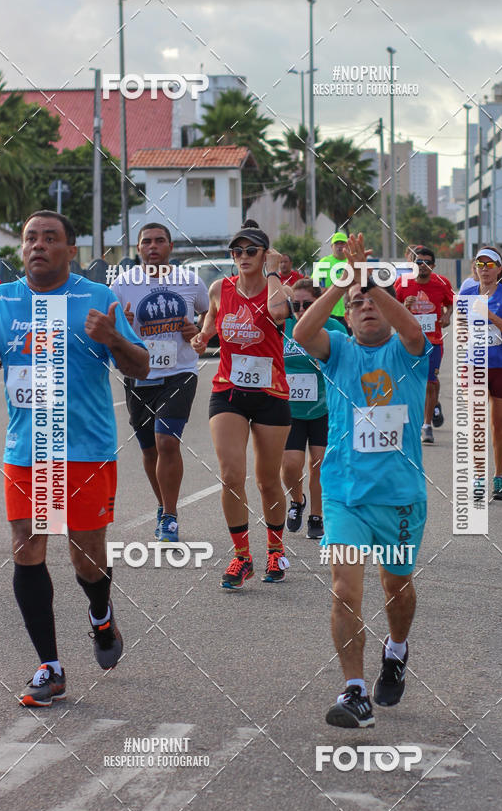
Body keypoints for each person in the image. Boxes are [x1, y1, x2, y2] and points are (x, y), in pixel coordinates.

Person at [0, 211, 149, 707]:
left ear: (71, 250)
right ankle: (50, 666)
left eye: (51, 238)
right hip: (28, 451)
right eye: (30, 238)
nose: (38, 245)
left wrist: (113, 339)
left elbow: (141, 364)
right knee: (26, 545)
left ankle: (101, 615)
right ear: (21, 249)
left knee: (86, 556)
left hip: (86, 449)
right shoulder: (2, 300)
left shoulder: (98, 299)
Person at [293, 233, 429, 729]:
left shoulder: (410, 353)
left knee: (397, 589)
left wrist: (369, 281)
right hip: (345, 495)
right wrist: (343, 284)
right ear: (346, 319)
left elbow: (412, 328)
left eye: (373, 301)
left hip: (399, 499)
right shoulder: (340, 352)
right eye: (357, 304)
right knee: (345, 591)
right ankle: (353, 691)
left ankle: (396, 649)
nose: (365, 306)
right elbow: (304, 333)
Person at [191, 220, 292, 588]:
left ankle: (276, 551)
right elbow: (212, 321)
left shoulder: (276, 288)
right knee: (231, 475)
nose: (243, 256)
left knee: (267, 481)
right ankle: (242, 557)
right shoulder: (221, 287)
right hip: (228, 391)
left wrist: (274, 272)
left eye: (251, 250)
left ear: (265, 254)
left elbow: (279, 313)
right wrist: (203, 338)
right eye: (237, 250)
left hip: (271, 394)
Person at [111, 223, 208, 542]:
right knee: (149, 448)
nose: (153, 246)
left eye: (160, 241)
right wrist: (121, 327)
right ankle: (162, 505)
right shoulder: (123, 284)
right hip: (139, 373)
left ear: (170, 247)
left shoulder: (191, 282)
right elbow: (110, 330)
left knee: (167, 440)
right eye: (146, 242)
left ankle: (170, 515)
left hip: (180, 371)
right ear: (138, 248)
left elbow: (211, 315)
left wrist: (198, 332)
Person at [281, 279, 347, 539]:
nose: (300, 309)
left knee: (319, 464)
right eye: (295, 304)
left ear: (319, 303)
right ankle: (297, 501)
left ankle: (316, 516)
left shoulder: (333, 328)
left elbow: (346, 366)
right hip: (290, 410)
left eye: (307, 304)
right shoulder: (283, 327)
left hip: (324, 408)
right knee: (290, 465)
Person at [461, 247, 502, 500]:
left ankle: (498, 476)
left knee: (498, 425)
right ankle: (477, 478)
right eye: (480, 264)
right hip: (475, 367)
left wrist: (489, 315)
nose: (484, 269)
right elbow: (462, 331)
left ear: (498, 268)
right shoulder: (466, 293)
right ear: (474, 268)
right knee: (476, 425)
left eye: (490, 265)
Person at [395, 246, 454, 443]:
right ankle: (425, 411)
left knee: (430, 382)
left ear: (433, 266)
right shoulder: (402, 284)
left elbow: (451, 302)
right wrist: (404, 307)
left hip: (433, 341)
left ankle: (426, 425)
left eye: (427, 263)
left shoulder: (442, 283)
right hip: (408, 341)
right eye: (419, 262)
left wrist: (446, 315)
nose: (423, 266)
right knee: (409, 382)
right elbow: (391, 309)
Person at [311, 232, 349, 327]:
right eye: (337, 243)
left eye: (342, 243)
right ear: (332, 246)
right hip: (328, 312)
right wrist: (329, 290)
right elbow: (313, 285)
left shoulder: (352, 261)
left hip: (349, 313)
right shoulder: (324, 262)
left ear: (347, 245)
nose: (339, 246)